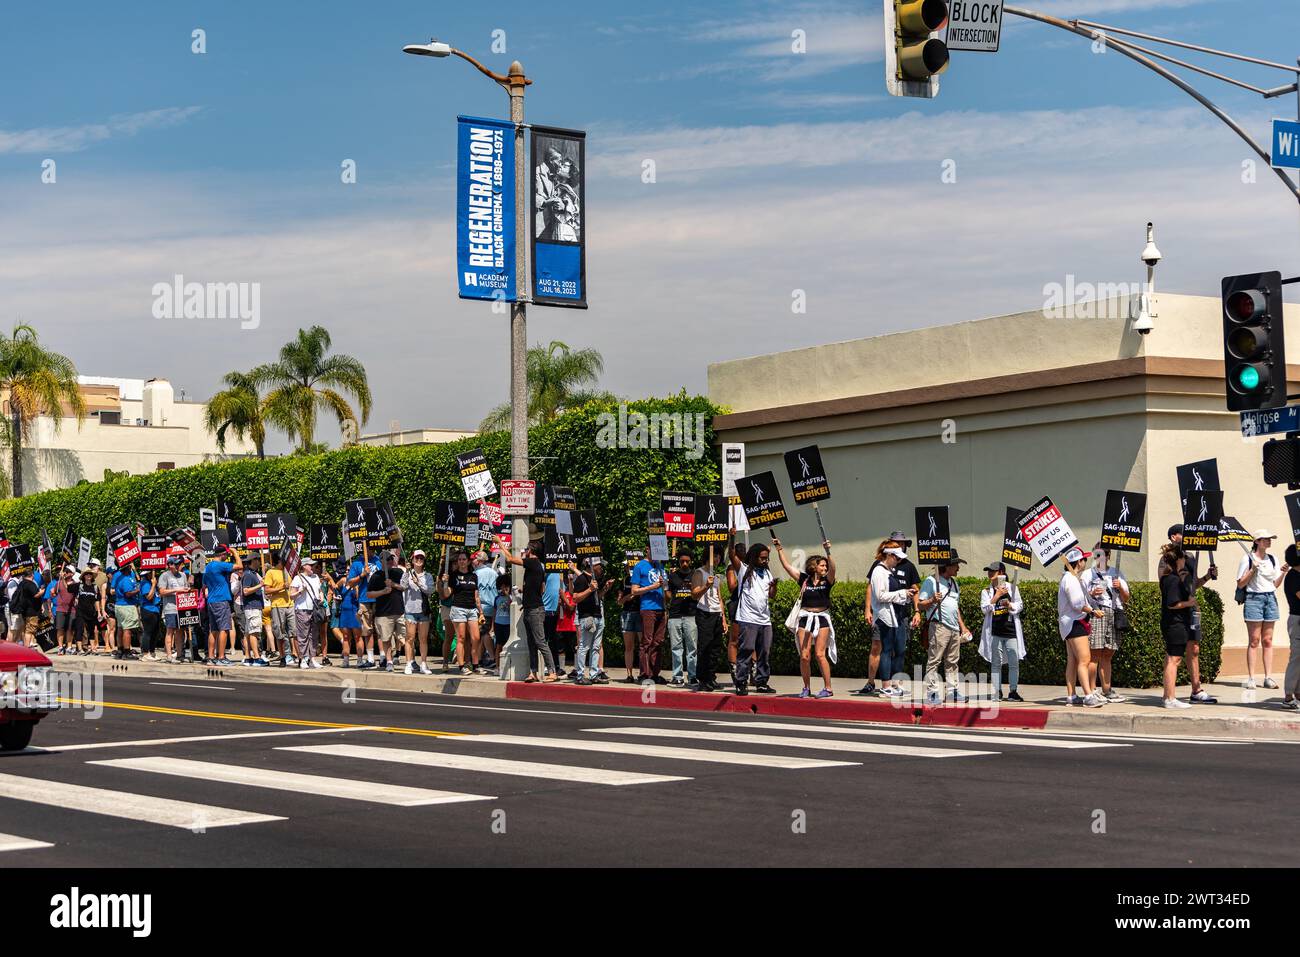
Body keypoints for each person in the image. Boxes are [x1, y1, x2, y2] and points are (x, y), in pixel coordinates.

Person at [859, 532, 922, 696]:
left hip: (897, 616)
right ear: (889, 554)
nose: (898, 558)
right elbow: (879, 595)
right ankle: (883, 685)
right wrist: (902, 594)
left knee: (898, 649)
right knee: (884, 649)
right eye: (896, 555)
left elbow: (910, 589)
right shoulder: (879, 570)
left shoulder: (893, 569)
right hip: (885, 616)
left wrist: (912, 604)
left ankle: (893, 684)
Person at [1161, 525, 1218, 703]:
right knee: (1174, 653)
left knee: (1194, 648)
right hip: (1178, 611)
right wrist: (1183, 602)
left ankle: (1196, 690)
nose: (1186, 536)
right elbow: (1171, 587)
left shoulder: (1191, 557)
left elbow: (1191, 586)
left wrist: (1207, 577)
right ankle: (1169, 694)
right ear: (1173, 537)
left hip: (1191, 610)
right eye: (1182, 534)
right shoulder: (1168, 559)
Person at [774, 538, 837, 698]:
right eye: (822, 565)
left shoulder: (827, 580)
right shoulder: (804, 580)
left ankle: (828, 688)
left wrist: (828, 552)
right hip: (804, 618)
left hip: (822, 618)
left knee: (820, 654)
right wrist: (780, 549)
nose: (825, 567)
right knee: (804, 655)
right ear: (813, 566)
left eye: (825, 565)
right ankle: (806, 688)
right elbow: (787, 566)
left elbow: (834, 569)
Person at [496, 536, 559, 682]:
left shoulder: (533, 563)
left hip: (535, 610)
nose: (523, 552)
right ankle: (533, 672)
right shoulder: (539, 567)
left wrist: (500, 543)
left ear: (531, 551)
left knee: (540, 642)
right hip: (531, 608)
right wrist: (527, 596)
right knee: (531, 643)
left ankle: (552, 672)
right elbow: (541, 589)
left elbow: (511, 559)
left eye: (525, 549)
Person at [1237, 529, 1288, 690]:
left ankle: (1268, 677)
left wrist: (1283, 573)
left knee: (1268, 640)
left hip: (1270, 598)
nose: (1269, 541)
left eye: (1270, 539)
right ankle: (1252, 677)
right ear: (1257, 541)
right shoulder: (1247, 558)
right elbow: (1240, 583)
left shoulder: (1272, 559)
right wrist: (1253, 569)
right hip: (1254, 599)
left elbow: (1275, 584)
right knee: (1254, 640)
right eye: (1265, 539)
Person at [919, 553, 972, 704]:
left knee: (952, 662)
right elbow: (920, 605)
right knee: (934, 660)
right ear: (947, 566)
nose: (958, 568)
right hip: (939, 626)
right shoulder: (931, 581)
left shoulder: (954, 584)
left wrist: (962, 627)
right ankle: (932, 693)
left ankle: (952, 691)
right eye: (956, 565)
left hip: (954, 628)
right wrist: (932, 600)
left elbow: (956, 608)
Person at [1080, 545, 1130, 702]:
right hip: (1097, 612)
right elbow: (1079, 597)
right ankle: (1092, 689)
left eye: (1104, 554)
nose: (1101, 558)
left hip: (1113, 612)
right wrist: (1092, 593)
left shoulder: (1116, 573)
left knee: (1108, 652)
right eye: (1098, 555)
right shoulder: (1089, 574)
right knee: (1094, 653)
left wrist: (1120, 587)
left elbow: (1126, 597)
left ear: (1109, 555)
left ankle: (1107, 690)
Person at [729, 539, 778, 696]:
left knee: (764, 651)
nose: (765, 561)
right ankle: (741, 682)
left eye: (766, 558)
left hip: (765, 619)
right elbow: (731, 555)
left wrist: (773, 588)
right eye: (762, 558)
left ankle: (762, 682)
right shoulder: (744, 570)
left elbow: (771, 596)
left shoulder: (767, 573)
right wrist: (731, 537)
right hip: (748, 618)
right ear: (754, 557)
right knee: (746, 650)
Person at [1058, 546, 1105, 707]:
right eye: (1084, 559)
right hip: (1074, 623)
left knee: (1072, 661)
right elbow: (1077, 604)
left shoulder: (1070, 577)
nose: (1085, 561)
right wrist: (1094, 610)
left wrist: (1089, 596)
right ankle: (1088, 695)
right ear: (1079, 561)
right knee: (1085, 660)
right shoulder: (1070, 579)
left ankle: (1071, 695)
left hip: (1069, 623)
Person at [978, 561, 1025, 701]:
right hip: (995, 632)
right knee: (996, 663)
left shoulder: (1012, 588)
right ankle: (997, 691)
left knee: (1013, 662)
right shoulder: (986, 591)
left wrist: (1010, 604)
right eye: (989, 571)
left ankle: (1013, 691)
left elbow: (1020, 605)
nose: (990, 574)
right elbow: (984, 609)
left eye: (993, 571)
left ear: (1002, 573)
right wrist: (997, 596)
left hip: (1011, 631)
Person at [1159, 544, 1198, 709]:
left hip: (1171, 623)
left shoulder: (1168, 577)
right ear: (1179, 560)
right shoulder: (1173, 580)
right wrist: (1189, 603)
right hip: (1176, 623)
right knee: (1174, 659)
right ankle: (1170, 699)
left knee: (1170, 658)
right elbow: (1172, 604)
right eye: (1183, 557)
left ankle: (1167, 696)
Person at [630, 548, 669, 684]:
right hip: (647, 608)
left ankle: (654, 674)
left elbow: (664, 589)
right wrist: (652, 587)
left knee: (658, 642)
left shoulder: (660, 566)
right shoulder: (639, 566)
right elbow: (634, 590)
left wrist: (665, 608)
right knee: (647, 641)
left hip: (661, 608)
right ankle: (644, 674)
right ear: (647, 549)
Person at [691, 547, 726, 692]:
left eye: (719, 557)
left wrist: (723, 618)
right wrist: (706, 586)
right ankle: (703, 679)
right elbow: (694, 594)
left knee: (715, 648)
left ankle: (711, 677)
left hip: (716, 613)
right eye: (715, 556)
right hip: (704, 613)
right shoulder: (699, 572)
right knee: (704, 646)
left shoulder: (716, 576)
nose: (717, 559)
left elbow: (719, 597)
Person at [202, 545, 242, 666]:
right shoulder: (219, 565)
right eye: (227, 554)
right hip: (221, 600)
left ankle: (210, 657)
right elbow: (240, 566)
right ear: (222, 554)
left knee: (213, 630)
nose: (227, 557)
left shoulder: (208, 567)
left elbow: (204, 585)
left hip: (212, 601)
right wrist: (235, 553)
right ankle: (221, 657)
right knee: (224, 629)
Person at [573, 557, 611, 685]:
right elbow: (575, 598)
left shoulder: (595, 580)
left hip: (598, 615)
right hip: (587, 616)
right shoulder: (581, 579)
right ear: (591, 565)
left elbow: (597, 597)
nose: (601, 568)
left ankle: (594, 674)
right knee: (584, 646)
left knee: (596, 646)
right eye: (599, 565)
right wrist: (589, 589)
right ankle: (579, 675)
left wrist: (605, 588)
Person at [368, 551, 406, 672]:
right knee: (386, 639)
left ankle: (411, 660)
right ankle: (389, 661)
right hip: (383, 613)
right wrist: (383, 592)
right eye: (386, 559)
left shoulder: (399, 572)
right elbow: (369, 594)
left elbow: (405, 587)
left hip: (400, 611)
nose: (389, 561)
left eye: (391, 558)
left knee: (405, 638)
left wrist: (393, 584)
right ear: (381, 561)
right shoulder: (376, 576)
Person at [666, 549, 699, 687]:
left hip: (691, 615)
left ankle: (692, 676)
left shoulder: (696, 575)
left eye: (687, 561)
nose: (684, 563)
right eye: (682, 561)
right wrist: (670, 597)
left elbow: (699, 593)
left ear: (691, 561)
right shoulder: (672, 575)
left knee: (692, 648)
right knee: (676, 647)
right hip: (675, 615)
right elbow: (667, 592)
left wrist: (692, 589)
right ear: (679, 561)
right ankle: (678, 676)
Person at [400, 550, 435, 675]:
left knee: (423, 639)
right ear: (412, 559)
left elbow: (430, 590)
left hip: (423, 611)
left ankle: (424, 664)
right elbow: (402, 586)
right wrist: (406, 573)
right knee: (410, 638)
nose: (419, 560)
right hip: (410, 610)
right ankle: (409, 663)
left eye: (421, 558)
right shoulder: (407, 574)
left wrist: (418, 583)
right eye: (416, 558)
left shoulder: (428, 576)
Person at [290, 557, 325, 668]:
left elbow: (320, 591)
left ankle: (312, 658)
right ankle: (304, 658)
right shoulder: (297, 578)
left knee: (313, 635)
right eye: (311, 565)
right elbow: (291, 595)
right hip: (302, 609)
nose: (313, 567)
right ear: (304, 566)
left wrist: (321, 597)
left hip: (314, 609)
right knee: (303, 635)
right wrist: (301, 591)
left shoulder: (315, 577)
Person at [348, 548, 380, 667]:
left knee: (382, 630)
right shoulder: (357, 563)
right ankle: (371, 659)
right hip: (364, 599)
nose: (370, 551)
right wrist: (362, 575)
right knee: (367, 630)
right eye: (368, 549)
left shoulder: (379, 560)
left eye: (372, 549)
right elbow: (350, 583)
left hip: (380, 598)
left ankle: (383, 658)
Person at [158, 556, 190, 663]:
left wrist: (187, 589)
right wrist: (176, 590)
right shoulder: (164, 576)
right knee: (170, 631)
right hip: (170, 608)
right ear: (169, 565)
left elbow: (186, 587)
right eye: (174, 564)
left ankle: (180, 655)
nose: (177, 566)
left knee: (180, 631)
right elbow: (162, 592)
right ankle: (169, 656)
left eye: (178, 564)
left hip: (181, 607)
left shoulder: (183, 575)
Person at [472, 552, 499, 670]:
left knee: (484, 633)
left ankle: (492, 657)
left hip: (481, 607)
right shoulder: (494, 573)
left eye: (474, 560)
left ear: (478, 561)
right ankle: (479, 659)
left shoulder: (475, 574)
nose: (472, 562)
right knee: (483, 633)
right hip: (493, 606)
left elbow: (475, 593)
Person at [239, 555, 268, 667]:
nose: (259, 562)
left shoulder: (252, 574)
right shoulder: (248, 574)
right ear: (254, 561)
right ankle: (256, 657)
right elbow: (245, 591)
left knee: (248, 633)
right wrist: (259, 585)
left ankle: (248, 657)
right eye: (258, 560)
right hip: (252, 607)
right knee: (254, 632)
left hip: (252, 607)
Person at [617, 558, 642, 683]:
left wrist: (637, 593)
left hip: (640, 613)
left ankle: (643, 673)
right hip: (627, 614)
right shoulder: (624, 581)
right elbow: (619, 601)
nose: (628, 568)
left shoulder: (642, 579)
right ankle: (629, 674)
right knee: (629, 647)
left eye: (630, 566)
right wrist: (628, 597)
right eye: (627, 567)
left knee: (643, 645)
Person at [1281, 544, 1300, 711]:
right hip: (1297, 621)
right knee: (1296, 658)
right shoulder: (1294, 577)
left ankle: (1298, 693)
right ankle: (1288, 696)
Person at [111, 562, 141, 659]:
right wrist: (138, 590)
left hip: (120, 605)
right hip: (126, 606)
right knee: (127, 629)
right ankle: (126, 652)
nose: (130, 567)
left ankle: (121, 650)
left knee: (121, 628)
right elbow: (128, 593)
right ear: (127, 568)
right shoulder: (125, 579)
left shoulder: (124, 577)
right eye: (129, 566)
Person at [74, 568, 103, 656]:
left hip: (91, 612)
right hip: (80, 612)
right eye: (87, 574)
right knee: (80, 629)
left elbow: (97, 600)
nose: (89, 576)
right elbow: (68, 588)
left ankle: (93, 648)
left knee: (92, 630)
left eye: (90, 574)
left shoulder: (95, 587)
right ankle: (79, 649)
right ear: (84, 576)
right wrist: (63, 578)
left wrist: (98, 612)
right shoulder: (79, 586)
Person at [53, 564, 78, 655]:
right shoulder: (58, 583)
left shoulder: (75, 583)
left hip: (71, 609)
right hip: (60, 609)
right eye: (65, 571)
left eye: (67, 572)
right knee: (60, 628)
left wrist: (62, 579)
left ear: (72, 574)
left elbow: (68, 589)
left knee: (70, 629)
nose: (65, 573)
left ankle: (69, 647)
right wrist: (53, 593)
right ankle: (60, 647)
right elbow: (54, 593)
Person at [138, 570, 163, 661]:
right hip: (148, 610)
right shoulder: (145, 583)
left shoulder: (150, 582)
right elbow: (149, 597)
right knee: (148, 632)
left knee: (155, 632)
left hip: (155, 609)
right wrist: (153, 585)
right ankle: (145, 653)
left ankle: (152, 652)